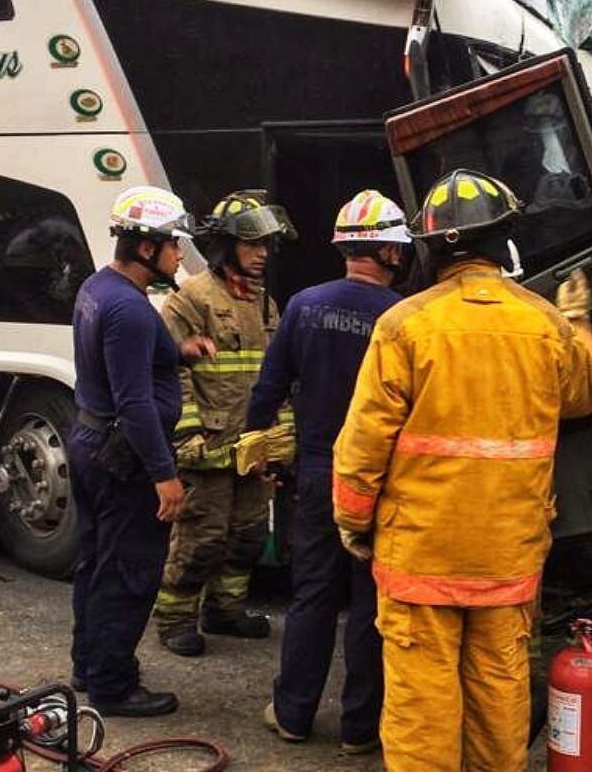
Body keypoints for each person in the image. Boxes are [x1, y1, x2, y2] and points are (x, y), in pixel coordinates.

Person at [332, 169, 592, 770]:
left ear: (430, 247)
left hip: (419, 553)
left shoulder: (404, 325)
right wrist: (580, 319)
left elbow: (363, 444)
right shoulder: (545, 323)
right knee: (498, 692)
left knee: (421, 702)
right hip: (508, 553)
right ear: (504, 239)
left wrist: (354, 522)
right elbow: (586, 395)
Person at [249, 190, 411, 754]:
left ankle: (293, 714)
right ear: (391, 251)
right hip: (383, 482)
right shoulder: (404, 316)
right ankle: (360, 729)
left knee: (312, 595)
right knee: (371, 603)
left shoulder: (303, 305)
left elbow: (268, 389)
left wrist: (260, 450)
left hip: (318, 475)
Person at [69, 185, 198, 717]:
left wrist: (179, 352)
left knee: (97, 563)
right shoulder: (130, 310)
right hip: (122, 457)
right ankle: (113, 686)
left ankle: (89, 665)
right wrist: (164, 476)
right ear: (146, 248)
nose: (180, 254)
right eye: (174, 244)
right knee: (129, 573)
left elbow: (121, 364)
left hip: (90, 440)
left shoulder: (98, 288)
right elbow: (136, 403)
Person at [153, 190, 296, 656]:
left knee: (248, 536)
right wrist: (189, 435)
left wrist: (280, 440)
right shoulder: (191, 299)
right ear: (225, 246)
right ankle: (175, 619)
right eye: (252, 244)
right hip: (207, 446)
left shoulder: (265, 303)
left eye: (266, 245)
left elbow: (276, 375)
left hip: (250, 446)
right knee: (202, 540)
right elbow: (172, 374)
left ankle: (225, 612)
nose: (262, 254)